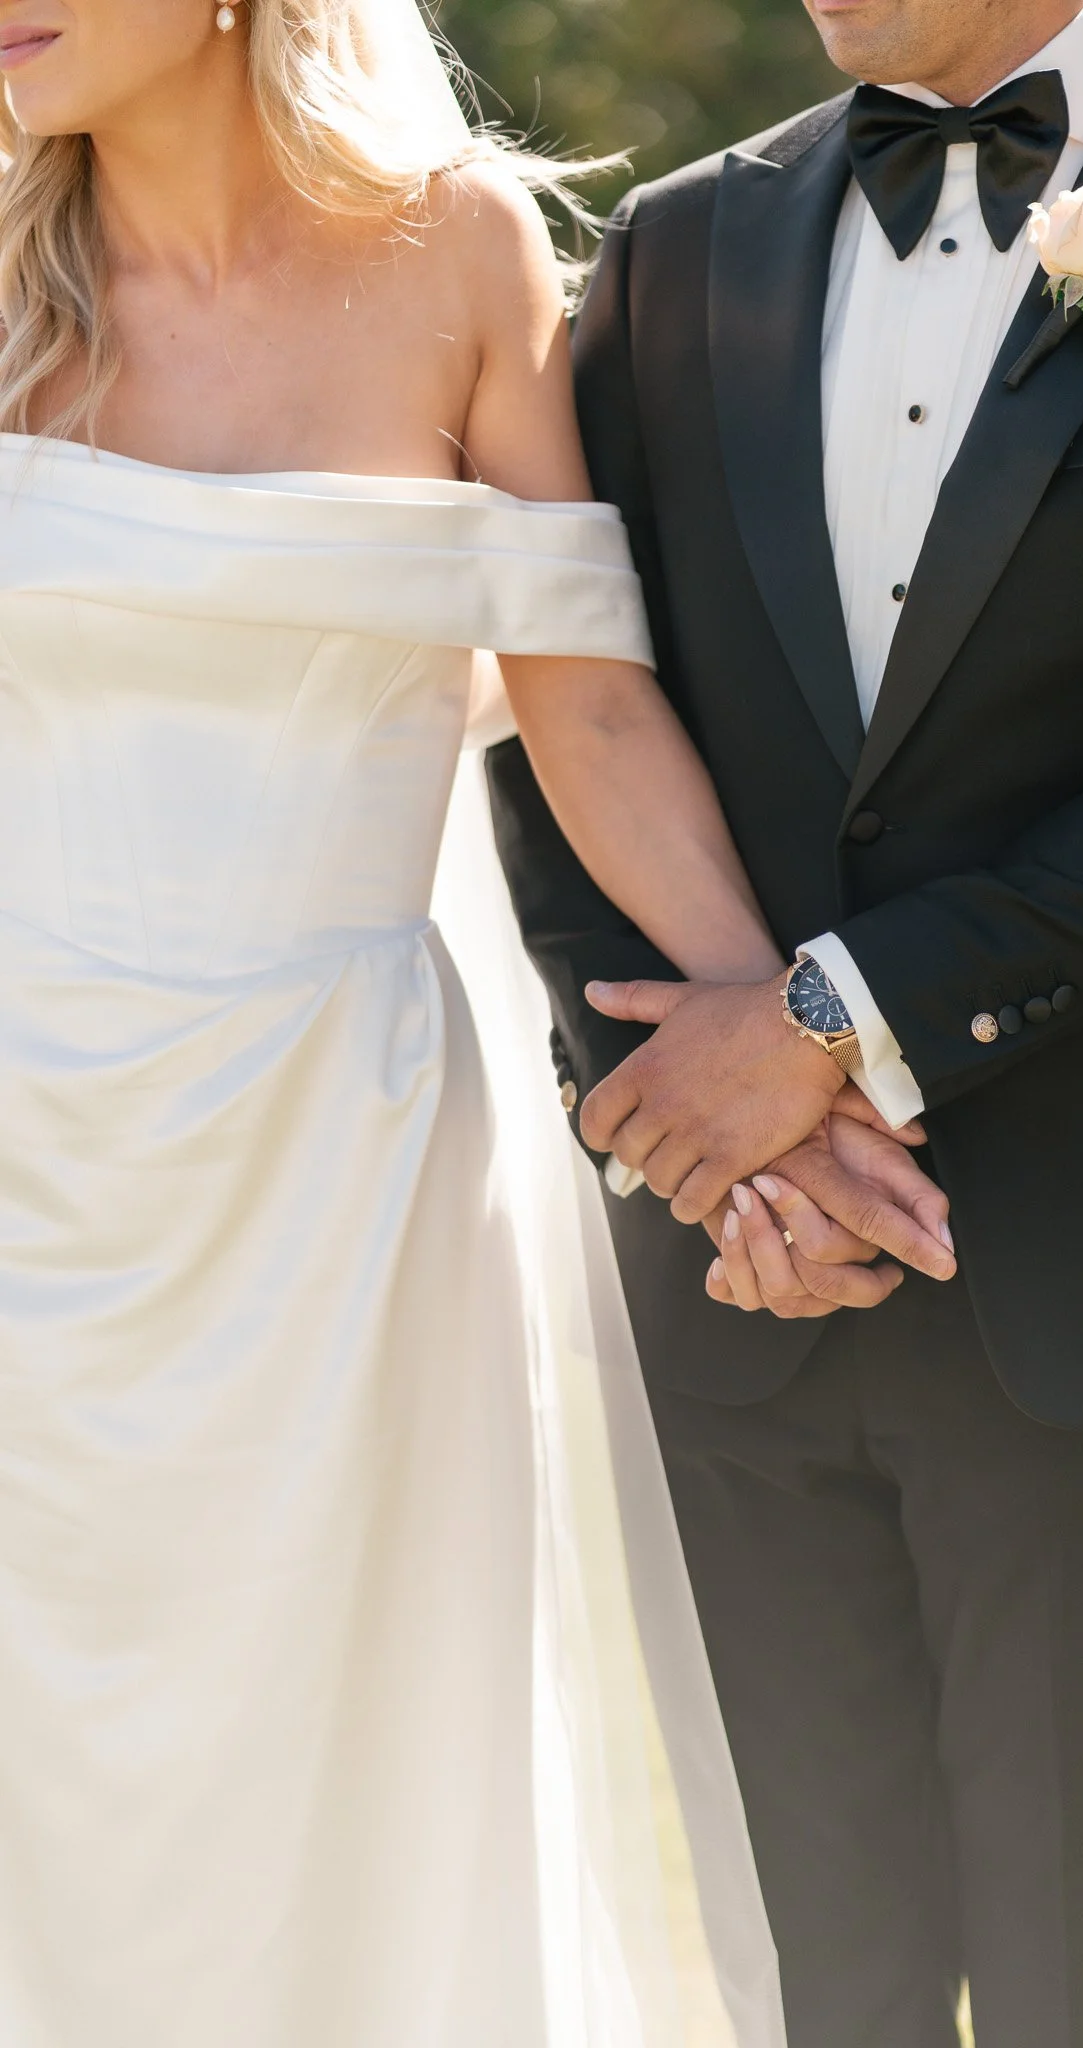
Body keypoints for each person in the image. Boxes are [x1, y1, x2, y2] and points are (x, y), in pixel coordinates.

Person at [0, 2, 955, 2039]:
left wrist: (790, 1070)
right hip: (17, 1153)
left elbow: (584, 699)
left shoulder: (453, 256)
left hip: (337, 1163)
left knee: (348, 1733)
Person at [487, 0, 1083, 2042]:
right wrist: (679, 1125)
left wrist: (826, 1027)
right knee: (808, 1980)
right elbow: (558, 715)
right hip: (738, 1280)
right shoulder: (681, 245)